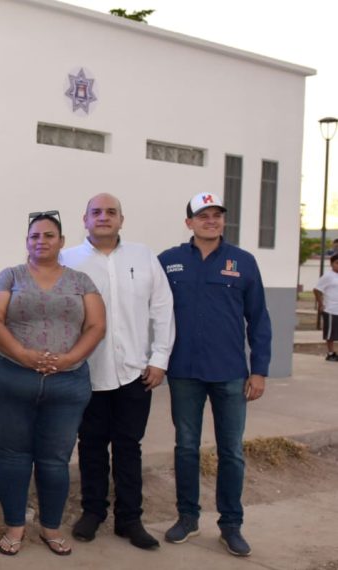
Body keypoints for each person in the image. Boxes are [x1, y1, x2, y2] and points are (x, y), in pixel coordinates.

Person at [0, 211, 105, 558]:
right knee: (14, 456)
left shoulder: (81, 281)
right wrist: (24, 355)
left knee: (54, 460)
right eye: (34, 236)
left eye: (49, 235)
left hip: (66, 383)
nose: (41, 241)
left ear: (61, 242)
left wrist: (68, 358)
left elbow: (96, 326)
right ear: (26, 242)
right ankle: (15, 526)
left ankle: (51, 527)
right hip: (8, 380)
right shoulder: (11, 276)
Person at [158, 192, 272, 557]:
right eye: (202, 215)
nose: (211, 220)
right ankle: (187, 518)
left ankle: (231, 525)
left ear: (223, 221)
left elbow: (259, 320)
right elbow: (153, 313)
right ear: (188, 222)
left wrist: (260, 372)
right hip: (184, 372)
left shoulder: (243, 262)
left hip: (230, 374)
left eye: (217, 215)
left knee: (232, 452)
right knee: (186, 448)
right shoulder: (169, 262)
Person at [61, 194, 175, 550]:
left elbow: (162, 308)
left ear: (121, 220)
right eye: (97, 212)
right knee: (91, 446)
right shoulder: (68, 260)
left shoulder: (143, 257)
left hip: (135, 373)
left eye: (111, 212)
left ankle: (130, 519)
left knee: (129, 448)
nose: (104, 217)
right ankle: (93, 512)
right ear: (85, 219)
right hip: (87, 372)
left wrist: (159, 359)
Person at [316, 253, 338, 362]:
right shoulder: (328, 276)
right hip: (330, 309)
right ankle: (330, 353)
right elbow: (317, 289)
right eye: (337, 263)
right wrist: (320, 303)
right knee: (330, 333)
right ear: (332, 264)